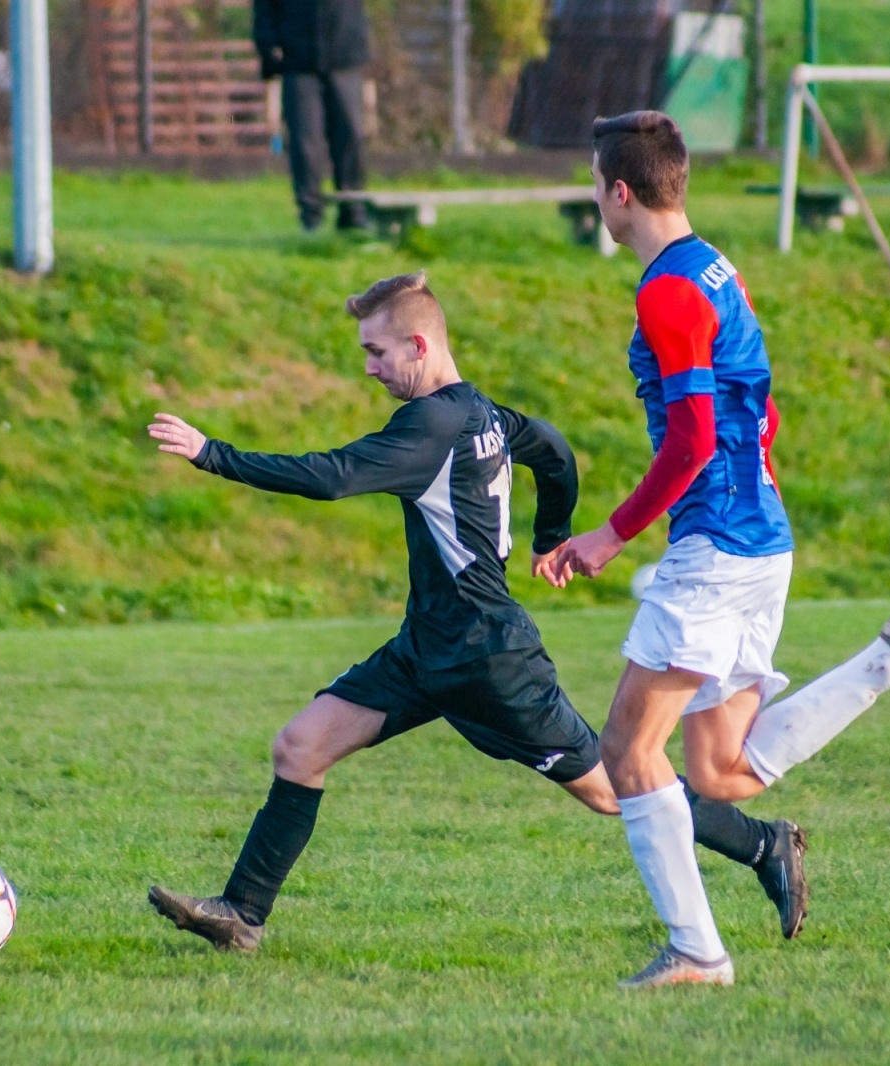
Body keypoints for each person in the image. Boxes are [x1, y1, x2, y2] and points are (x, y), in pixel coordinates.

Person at [143, 271, 805, 953]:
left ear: (419, 346)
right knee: (300, 746)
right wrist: (552, 534)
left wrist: (211, 453)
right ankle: (242, 915)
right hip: (426, 649)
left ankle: (764, 844)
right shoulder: (482, 413)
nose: (369, 368)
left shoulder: (430, 424)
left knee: (616, 789)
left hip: (490, 659)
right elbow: (553, 450)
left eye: (377, 352)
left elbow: (332, 477)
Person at [553, 111, 890, 989]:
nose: (597, 202)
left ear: (620, 192)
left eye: (596, 187)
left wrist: (611, 534)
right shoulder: (715, 268)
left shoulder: (667, 291)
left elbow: (692, 440)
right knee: (719, 772)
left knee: (628, 752)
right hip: (761, 540)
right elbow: (762, 411)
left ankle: (696, 951)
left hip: (718, 547)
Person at [254, 0, 370, 231]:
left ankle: (353, 211)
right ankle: (310, 216)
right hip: (298, 58)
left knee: (350, 135)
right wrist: (268, 46)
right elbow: (264, 7)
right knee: (304, 140)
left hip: (344, 53)